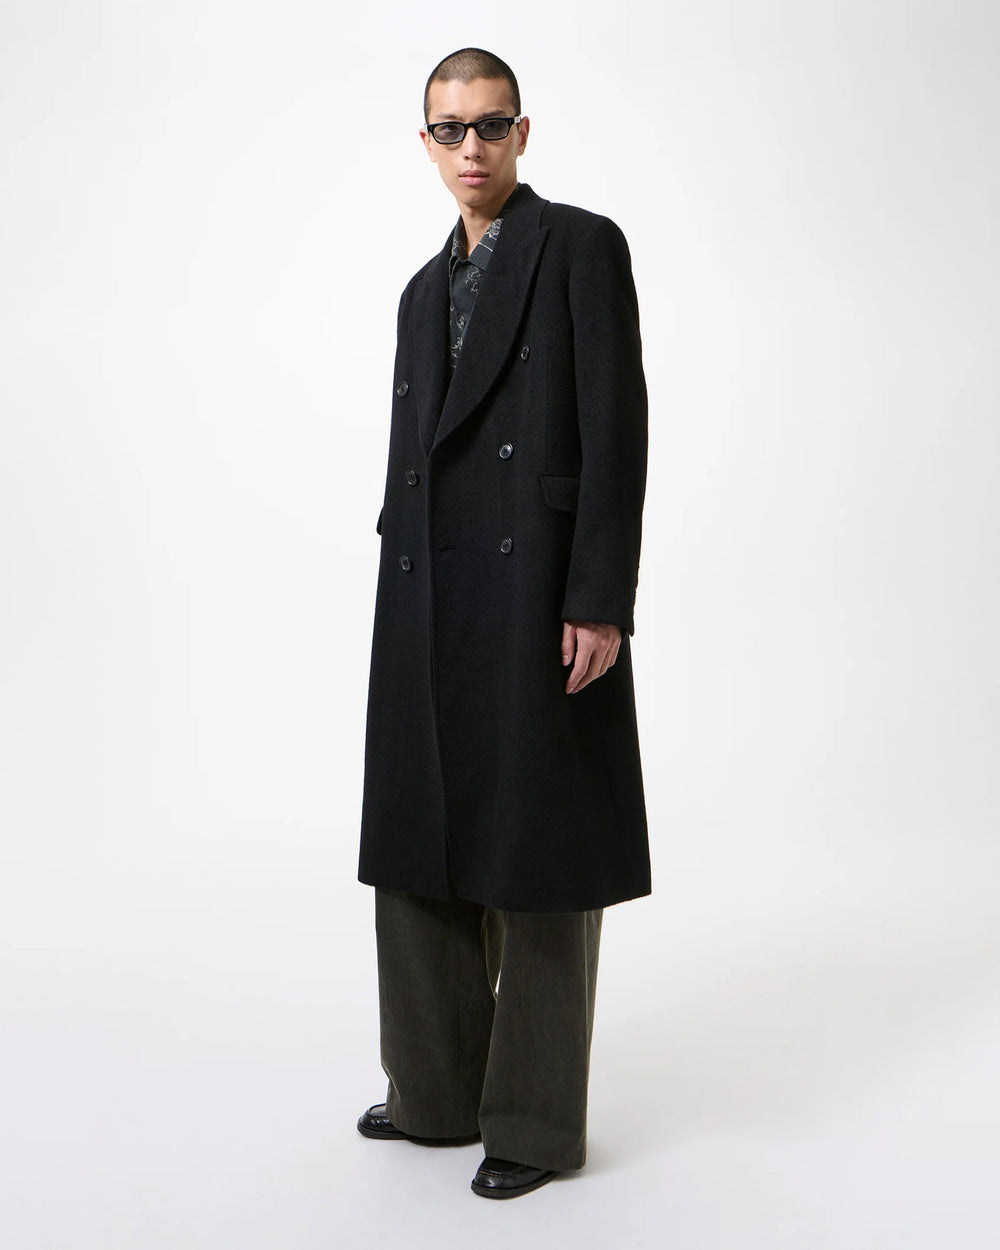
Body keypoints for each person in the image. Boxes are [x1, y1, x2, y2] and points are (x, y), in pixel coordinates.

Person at [356, 47, 650, 1200]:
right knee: (416, 839)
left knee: (538, 850)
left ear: (522, 133)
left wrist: (598, 595)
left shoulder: (579, 246)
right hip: (427, 588)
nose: (470, 146)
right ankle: (431, 1090)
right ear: (425, 142)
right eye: (450, 128)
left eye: (490, 124)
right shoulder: (418, 291)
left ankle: (528, 1119)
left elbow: (616, 426)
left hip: (536, 592)